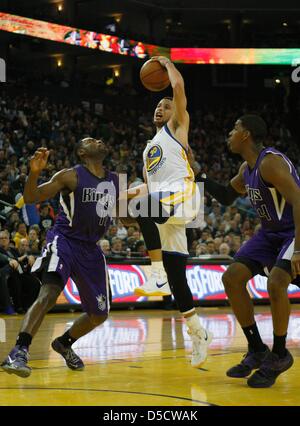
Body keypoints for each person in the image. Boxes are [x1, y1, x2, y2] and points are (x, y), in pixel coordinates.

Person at [194, 114, 300, 387]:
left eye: (234, 128)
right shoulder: (247, 169)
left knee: (277, 283)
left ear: (246, 135)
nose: (229, 133)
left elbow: (299, 201)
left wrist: (298, 249)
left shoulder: (270, 163)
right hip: (269, 234)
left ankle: (279, 354)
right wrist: (199, 175)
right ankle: (256, 349)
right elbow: (227, 197)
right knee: (231, 277)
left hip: (291, 232)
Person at [1, 138, 119, 378]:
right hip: (65, 241)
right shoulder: (70, 176)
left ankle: (64, 342)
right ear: (83, 152)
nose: (99, 140)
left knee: (99, 314)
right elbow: (33, 197)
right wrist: (34, 174)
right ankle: (19, 351)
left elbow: (125, 215)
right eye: (92, 140)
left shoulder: (115, 179)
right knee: (50, 293)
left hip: (92, 249)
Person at [128, 56, 212, 368]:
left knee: (143, 208)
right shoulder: (147, 149)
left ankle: (156, 275)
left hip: (184, 196)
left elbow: (178, 87)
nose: (160, 109)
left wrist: (166, 63)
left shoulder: (177, 128)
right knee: (179, 279)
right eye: (157, 107)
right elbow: (147, 189)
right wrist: (120, 195)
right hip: (164, 205)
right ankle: (198, 332)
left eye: (165, 106)